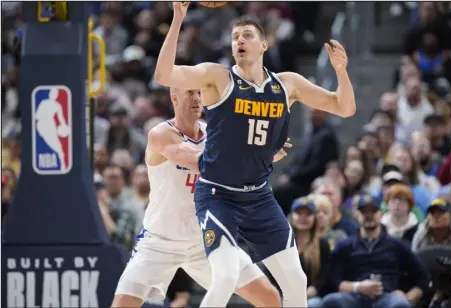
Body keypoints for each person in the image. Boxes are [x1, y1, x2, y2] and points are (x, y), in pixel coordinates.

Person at [154, 3, 356, 307]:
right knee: (224, 277)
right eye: (235, 37)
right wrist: (178, 18)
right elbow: (163, 74)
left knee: (296, 280)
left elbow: (344, 107)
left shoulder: (287, 85)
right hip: (218, 195)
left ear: (264, 44)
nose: (239, 42)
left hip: (259, 197)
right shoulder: (218, 79)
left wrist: (341, 72)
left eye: (247, 35)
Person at [112, 88, 285, 308]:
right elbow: (199, 162)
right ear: (174, 97)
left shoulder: (215, 132)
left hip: (206, 239)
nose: (196, 99)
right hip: (160, 240)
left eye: (199, 93)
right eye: (189, 93)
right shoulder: (160, 134)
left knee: (269, 298)